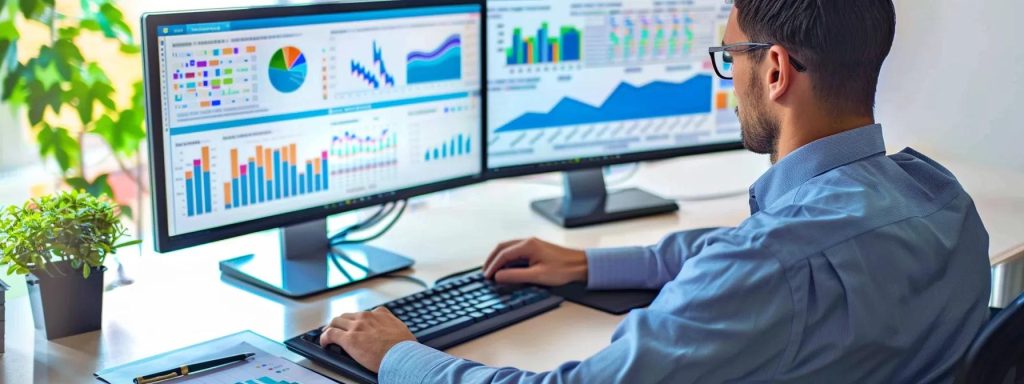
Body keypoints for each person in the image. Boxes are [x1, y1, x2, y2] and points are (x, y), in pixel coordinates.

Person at [318, 0, 992, 382]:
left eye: (731, 59)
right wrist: (592, 264)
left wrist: (401, 356)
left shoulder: (767, 265)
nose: (728, 84)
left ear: (777, 70)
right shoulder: (943, 200)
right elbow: (776, 245)